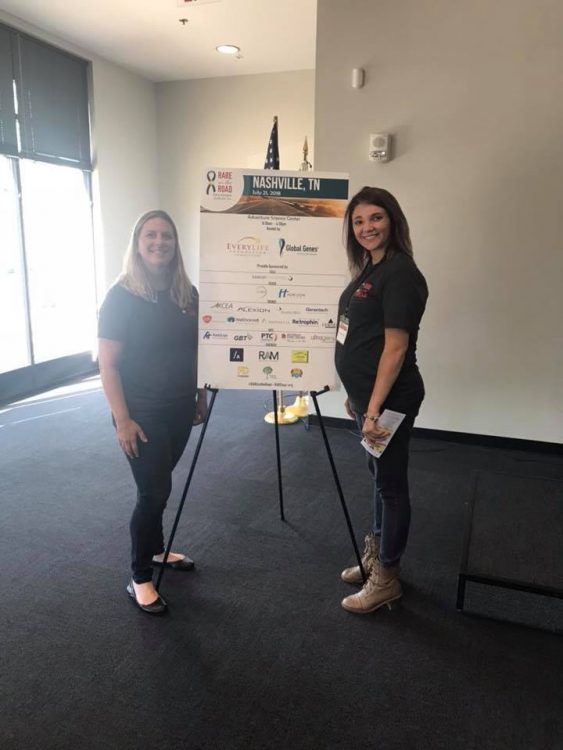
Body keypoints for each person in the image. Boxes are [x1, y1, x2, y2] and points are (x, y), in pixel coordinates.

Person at [98, 209, 207, 615]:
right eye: (150, 235)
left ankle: (157, 551)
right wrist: (122, 419)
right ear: (137, 243)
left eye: (166, 236)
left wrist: (199, 395)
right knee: (153, 491)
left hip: (179, 406)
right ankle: (139, 575)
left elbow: (195, 350)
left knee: (161, 482)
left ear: (176, 244)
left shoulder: (187, 294)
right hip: (140, 412)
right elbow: (107, 364)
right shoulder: (121, 295)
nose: (159, 242)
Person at [335, 187, 428, 614]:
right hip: (370, 397)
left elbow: (394, 347)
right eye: (358, 221)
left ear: (392, 220)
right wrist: (357, 396)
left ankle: (387, 577)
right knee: (379, 474)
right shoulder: (370, 269)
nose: (367, 227)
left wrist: (373, 408)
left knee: (390, 484)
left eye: (375, 218)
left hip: (391, 398)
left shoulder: (400, 274)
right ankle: (376, 555)